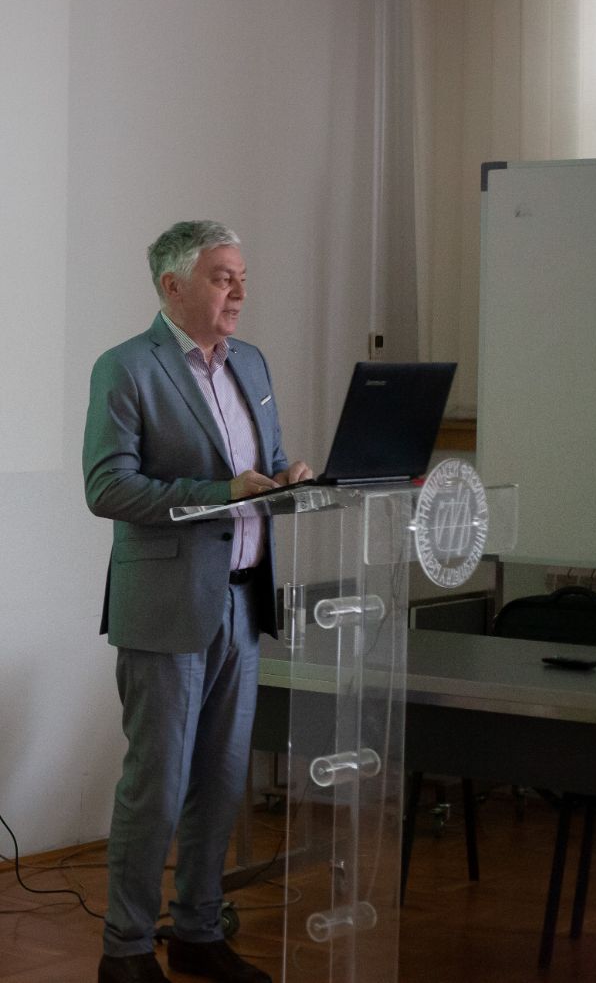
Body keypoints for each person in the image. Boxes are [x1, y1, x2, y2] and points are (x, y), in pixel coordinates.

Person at [83, 220, 312, 983]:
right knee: (158, 787)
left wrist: (292, 481)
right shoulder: (126, 367)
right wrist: (220, 493)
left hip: (243, 604)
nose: (239, 291)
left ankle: (198, 931)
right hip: (167, 606)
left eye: (242, 276)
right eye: (222, 277)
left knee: (221, 782)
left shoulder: (251, 362)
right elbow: (107, 487)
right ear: (172, 285)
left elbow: (262, 468)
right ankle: (124, 949)